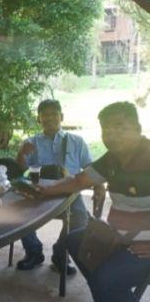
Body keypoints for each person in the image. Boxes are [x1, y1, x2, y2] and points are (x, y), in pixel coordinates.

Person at [39, 102, 150, 302]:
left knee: (104, 276)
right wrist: (44, 190)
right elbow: (79, 181)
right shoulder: (112, 159)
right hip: (120, 237)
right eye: (106, 129)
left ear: (138, 129)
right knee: (74, 241)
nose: (112, 135)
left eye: (120, 127)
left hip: (144, 247)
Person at [15, 99, 105, 273]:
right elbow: (21, 169)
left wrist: (99, 185)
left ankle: (60, 255)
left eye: (53, 114)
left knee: (80, 218)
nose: (49, 118)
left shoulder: (76, 141)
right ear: (39, 119)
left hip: (69, 192)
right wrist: (21, 153)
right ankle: (33, 252)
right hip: (40, 192)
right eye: (44, 115)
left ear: (61, 117)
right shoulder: (32, 142)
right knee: (19, 213)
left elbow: (89, 167)